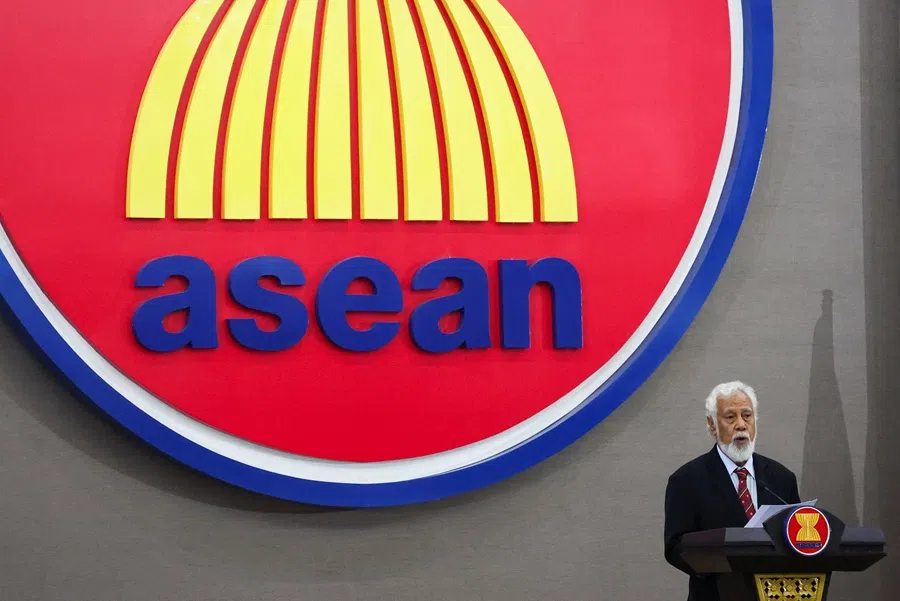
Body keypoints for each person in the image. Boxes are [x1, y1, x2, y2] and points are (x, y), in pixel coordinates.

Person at [663, 381, 801, 601]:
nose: (741, 425)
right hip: (716, 593)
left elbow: (794, 539)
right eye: (730, 417)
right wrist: (721, 563)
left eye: (747, 416)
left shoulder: (781, 478)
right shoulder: (687, 480)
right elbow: (674, 546)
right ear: (712, 425)